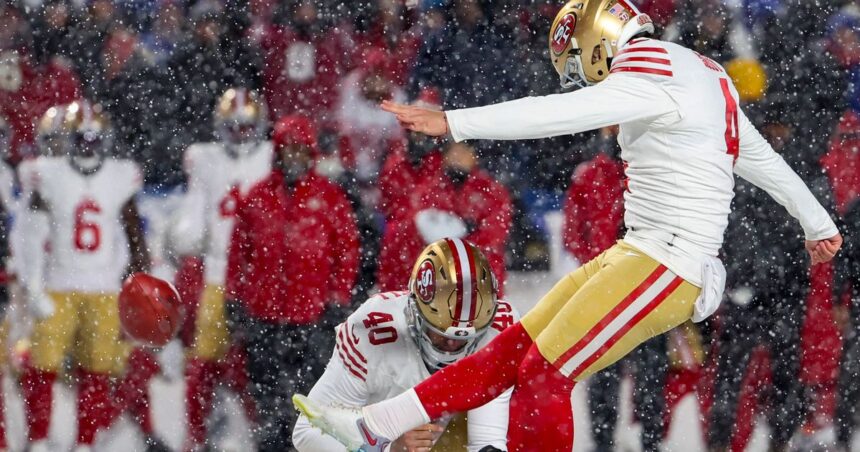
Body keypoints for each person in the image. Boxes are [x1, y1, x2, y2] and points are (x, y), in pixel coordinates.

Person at [295, 1, 842, 451]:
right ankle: (372, 425)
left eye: (580, 59)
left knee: (544, 375)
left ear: (600, 36)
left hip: (669, 261)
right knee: (512, 350)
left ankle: (373, 424)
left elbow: (553, 114)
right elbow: (755, 153)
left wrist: (456, 121)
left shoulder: (652, 71)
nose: (582, 76)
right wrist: (815, 219)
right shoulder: (703, 72)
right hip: (643, 251)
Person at [293, 239, 517, 451]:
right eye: (440, 332)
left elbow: (489, 437)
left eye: (465, 338)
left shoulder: (501, 327)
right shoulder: (374, 333)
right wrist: (387, 447)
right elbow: (306, 433)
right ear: (414, 311)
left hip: (447, 430)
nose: (452, 344)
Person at [18, 100, 150, 452]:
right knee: (42, 365)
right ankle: (39, 440)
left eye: (95, 139)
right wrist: (32, 284)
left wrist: (137, 280)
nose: (88, 147)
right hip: (58, 284)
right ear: (69, 139)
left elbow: (134, 234)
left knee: (97, 369)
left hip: (103, 287)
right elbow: (31, 234)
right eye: (82, 139)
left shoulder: (120, 177)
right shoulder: (48, 174)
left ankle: (86, 442)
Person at [225, 114, 360, 451]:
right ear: (278, 152)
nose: (294, 157)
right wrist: (235, 300)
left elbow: (347, 252)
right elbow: (238, 253)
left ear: (311, 153)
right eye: (288, 150)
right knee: (266, 399)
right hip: (263, 315)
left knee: (310, 399)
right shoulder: (257, 196)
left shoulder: (329, 197)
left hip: (311, 316)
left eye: (301, 151)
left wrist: (337, 299)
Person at [169, 87, 272, 452]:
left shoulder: (272, 156)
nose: (242, 135)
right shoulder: (205, 160)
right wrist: (186, 234)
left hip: (260, 277)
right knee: (204, 364)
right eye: (235, 127)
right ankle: (195, 436)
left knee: (256, 365)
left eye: (247, 127)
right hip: (220, 276)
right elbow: (192, 222)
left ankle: (263, 431)